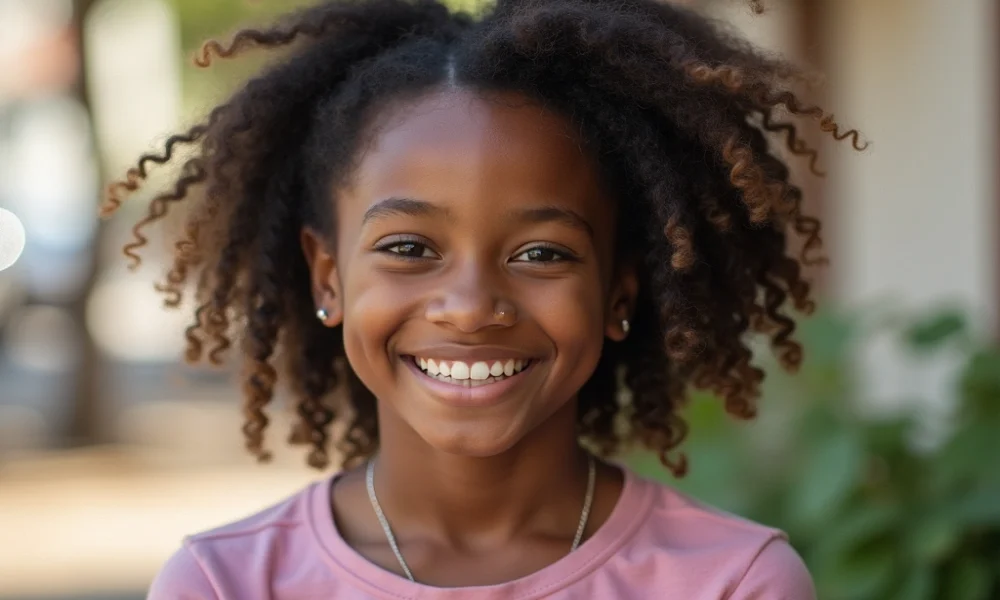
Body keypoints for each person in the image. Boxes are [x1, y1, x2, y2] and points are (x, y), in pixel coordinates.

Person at [106, 0, 864, 597]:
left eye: (542, 253)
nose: (469, 307)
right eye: (408, 249)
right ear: (327, 277)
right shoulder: (226, 587)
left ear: (618, 290)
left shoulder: (730, 582)